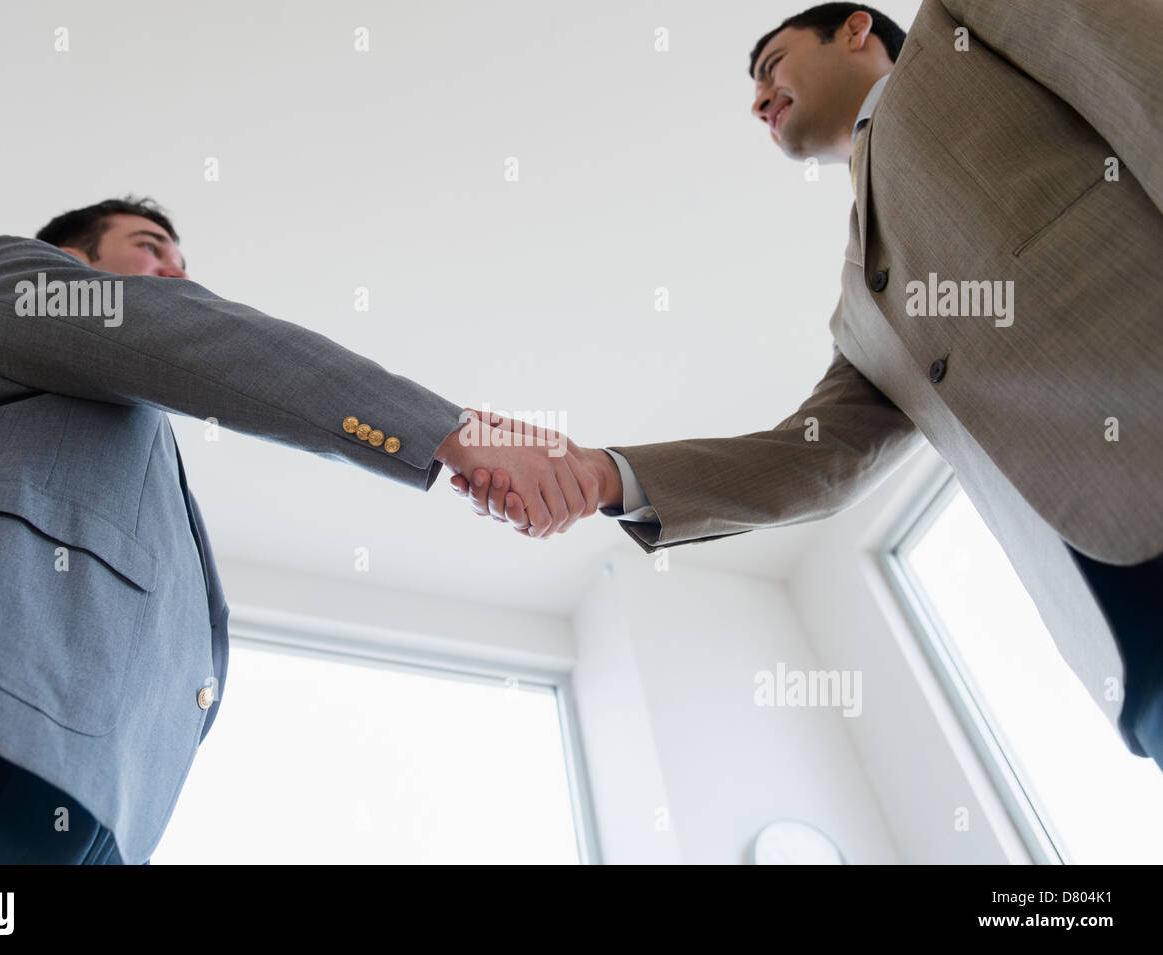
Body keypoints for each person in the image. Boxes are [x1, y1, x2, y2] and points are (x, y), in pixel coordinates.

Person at [456, 1, 1163, 772]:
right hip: (1127, 646)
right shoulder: (864, 307)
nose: (758, 101)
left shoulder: (973, 29)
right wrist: (599, 473)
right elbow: (812, 459)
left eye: (771, 68)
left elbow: (1141, 72)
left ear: (856, 28)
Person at [0, 197, 606, 864]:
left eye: (184, 261)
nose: (178, 273)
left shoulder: (148, 474)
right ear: (76, 257)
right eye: (150, 246)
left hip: (90, 819)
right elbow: (191, 337)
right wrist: (451, 430)